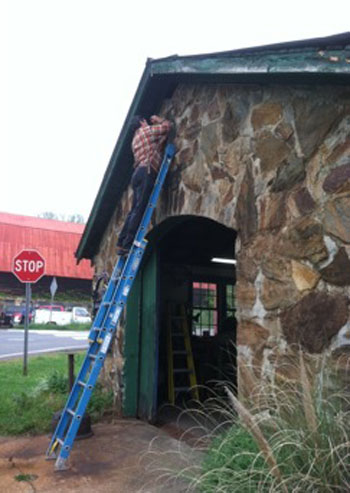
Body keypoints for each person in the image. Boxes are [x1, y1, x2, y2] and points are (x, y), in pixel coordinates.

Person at [116, 114, 173, 256]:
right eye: (146, 122)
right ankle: (127, 244)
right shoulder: (146, 132)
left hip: (137, 174)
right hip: (146, 172)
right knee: (140, 209)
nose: (148, 123)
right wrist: (158, 120)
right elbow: (168, 126)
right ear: (142, 123)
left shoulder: (135, 140)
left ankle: (121, 242)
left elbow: (153, 144)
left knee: (134, 210)